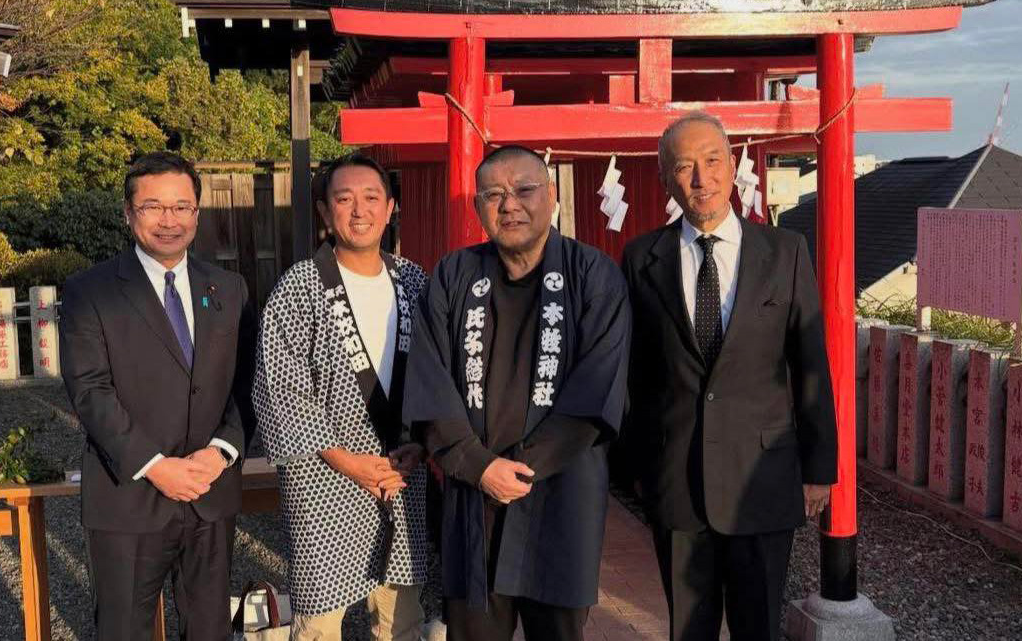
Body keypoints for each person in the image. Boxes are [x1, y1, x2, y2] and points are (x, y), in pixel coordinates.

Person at [621, 112, 838, 641]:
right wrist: (636, 469)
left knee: (757, 625)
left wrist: (819, 467)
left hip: (762, 478)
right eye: (685, 166)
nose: (703, 178)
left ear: (733, 161)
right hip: (678, 481)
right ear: (665, 178)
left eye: (713, 160)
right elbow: (634, 373)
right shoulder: (640, 259)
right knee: (687, 629)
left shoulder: (784, 252)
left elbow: (810, 362)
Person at [404, 146, 630, 641]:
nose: (510, 205)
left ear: (550, 197)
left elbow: (598, 389)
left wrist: (520, 469)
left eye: (524, 190)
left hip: (560, 493)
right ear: (477, 208)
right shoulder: (452, 275)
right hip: (472, 495)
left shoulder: (593, 274)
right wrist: (479, 465)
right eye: (493, 195)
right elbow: (429, 379)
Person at [59, 151, 255, 640]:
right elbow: (89, 390)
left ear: (196, 213)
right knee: (124, 628)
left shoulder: (228, 288)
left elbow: (249, 381)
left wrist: (222, 451)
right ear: (129, 214)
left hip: (209, 492)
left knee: (210, 629)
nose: (168, 221)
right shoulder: (92, 291)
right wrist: (156, 465)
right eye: (152, 207)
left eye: (181, 207)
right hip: (130, 495)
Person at [253, 154, 429, 640]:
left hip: (400, 472)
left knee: (401, 618)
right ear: (324, 212)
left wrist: (422, 442)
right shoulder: (298, 288)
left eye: (372, 197)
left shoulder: (415, 282)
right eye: (344, 199)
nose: (359, 210)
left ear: (390, 207)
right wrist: (346, 459)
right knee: (319, 623)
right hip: (324, 477)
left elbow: (440, 376)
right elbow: (279, 388)